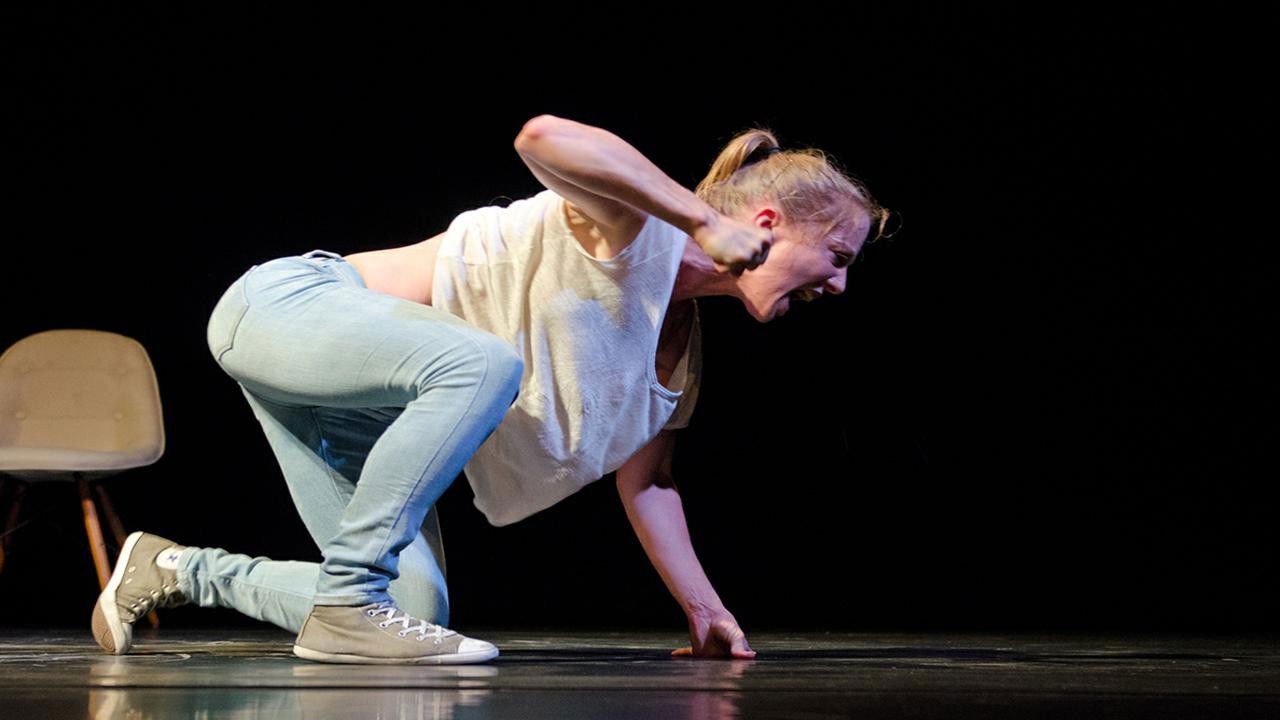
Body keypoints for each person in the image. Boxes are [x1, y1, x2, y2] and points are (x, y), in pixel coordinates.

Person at [90, 115, 893, 665]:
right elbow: (542, 136)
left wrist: (706, 609)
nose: (841, 286)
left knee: (413, 609)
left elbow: (648, 480)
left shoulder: (677, 349)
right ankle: (344, 604)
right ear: (766, 220)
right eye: (839, 257)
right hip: (287, 309)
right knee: (485, 364)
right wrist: (699, 221)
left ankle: (179, 570)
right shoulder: (633, 227)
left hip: (354, 407)